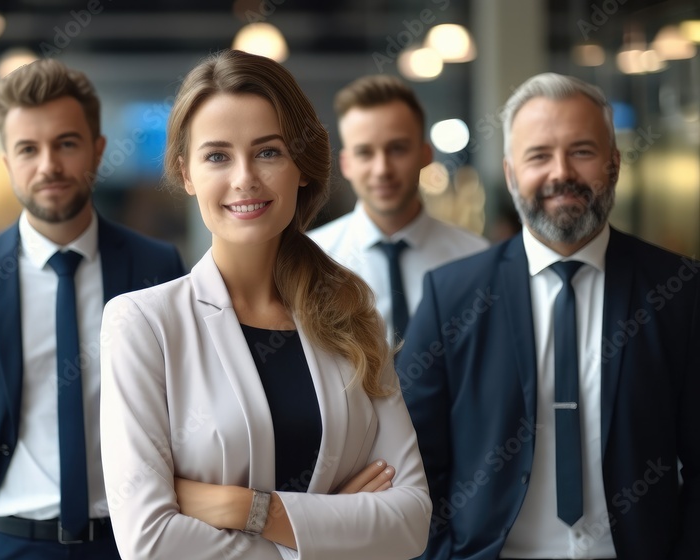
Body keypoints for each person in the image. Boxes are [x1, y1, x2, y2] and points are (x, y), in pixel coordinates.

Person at [99, 49, 432, 560]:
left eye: (268, 151)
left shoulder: (351, 314)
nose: (244, 178)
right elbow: (149, 541)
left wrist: (252, 510)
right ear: (186, 174)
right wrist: (324, 534)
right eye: (217, 156)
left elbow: (409, 521)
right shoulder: (144, 324)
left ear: (301, 166)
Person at [396, 72, 699, 559]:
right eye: (539, 155)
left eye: (582, 150)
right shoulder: (451, 295)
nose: (561, 173)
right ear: (512, 174)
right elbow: (412, 459)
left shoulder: (680, 291)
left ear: (614, 163)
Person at [0, 59, 185, 559]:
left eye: (66, 143)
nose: (48, 165)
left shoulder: (156, 266)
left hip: (130, 543)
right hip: (4, 544)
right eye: (28, 149)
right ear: (8, 162)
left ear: (97, 150)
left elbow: (185, 413)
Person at [309, 75, 488, 344]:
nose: (382, 170)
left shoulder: (476, 258)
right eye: (365, 153)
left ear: (426, 155)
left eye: (397, 149)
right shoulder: (313, 259)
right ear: (346, 164)